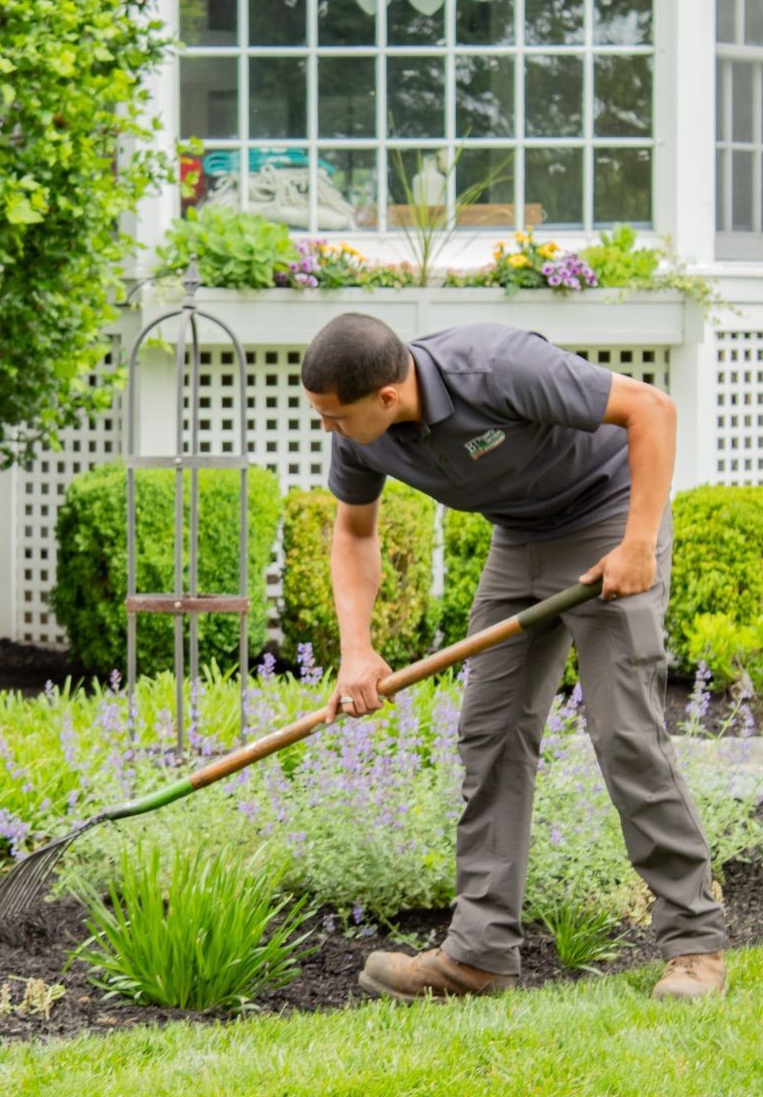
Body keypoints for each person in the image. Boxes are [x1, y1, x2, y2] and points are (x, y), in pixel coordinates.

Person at [301, 314, 727, 1003]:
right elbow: (353, 533)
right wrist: (356, 651)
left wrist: (639, 542)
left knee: (624, 732)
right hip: (519, 540)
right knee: (489, 736)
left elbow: (651, 408)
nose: (329, 430)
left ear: (386, 396)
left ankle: (695, 945)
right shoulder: (361, 438)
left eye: (335, 417)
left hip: (607, 516)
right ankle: (479, 954)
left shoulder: (494, 366)